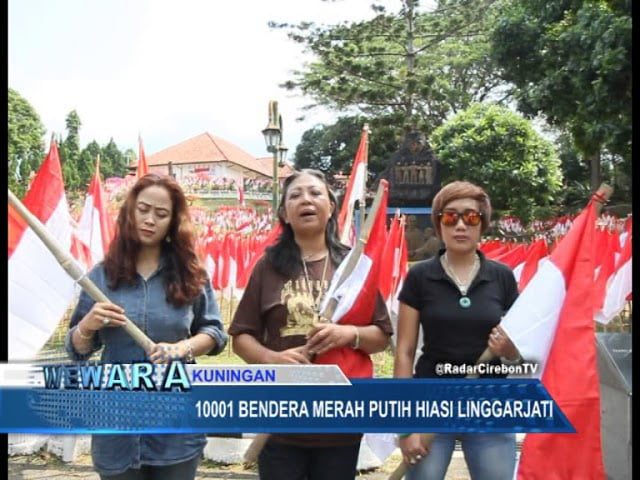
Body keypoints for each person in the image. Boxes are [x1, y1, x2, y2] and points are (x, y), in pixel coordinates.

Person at [229, 168, 393, 480]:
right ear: (284, 214)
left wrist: (348, 334)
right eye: (295, 195)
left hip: (339, 418)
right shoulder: (268, 267)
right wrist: (272, 359)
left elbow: (381, 336)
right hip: (281, 418)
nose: (306, 199)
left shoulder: (354, 267)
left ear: (331, 207)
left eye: (316, 193)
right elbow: (240, 337)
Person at [65, 173, 228, 480]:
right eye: (143, 209)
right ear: (130, 211)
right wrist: (88, 325)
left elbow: (215, 334)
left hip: (175, 425)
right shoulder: (101, 276)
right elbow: (77, 349)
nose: (150, 219)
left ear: (172, 222)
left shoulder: (192, 275)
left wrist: (181, 349)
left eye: (161, 214)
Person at [393, 180, 522, 480]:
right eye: (450, 217)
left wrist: (509, 351)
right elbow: (404, 352)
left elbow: (519, 348)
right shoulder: (420, 276)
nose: (460, 225)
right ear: (438, 224)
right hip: (430, 403)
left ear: (483, 224)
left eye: (471, 217)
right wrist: (405, 425)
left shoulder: (502, 278)